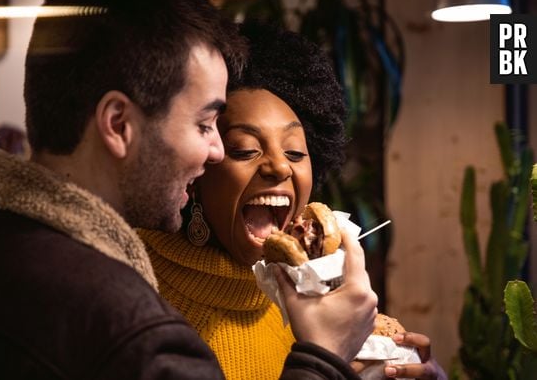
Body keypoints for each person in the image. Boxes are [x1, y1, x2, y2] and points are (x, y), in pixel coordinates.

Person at [0, 0, 377, 379]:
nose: (215, 151)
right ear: (119, 124)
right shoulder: (141, 336)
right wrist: (323, 357)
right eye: (204, 125)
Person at [139, 22, 447, 380]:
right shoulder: (139, 301)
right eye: (245, 150)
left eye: (296, 152)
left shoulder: (323, 305)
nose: (280, 166)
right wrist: (321, 356)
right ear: (197, 169)